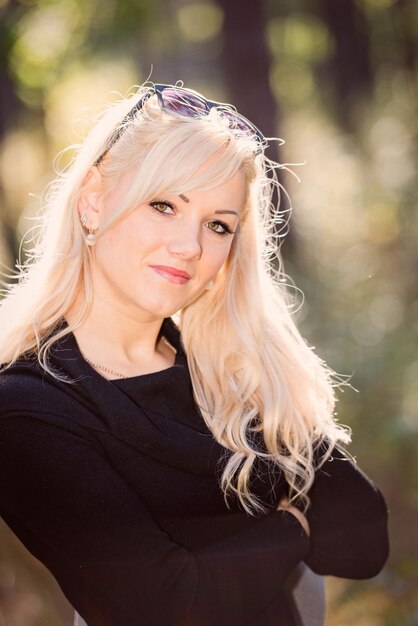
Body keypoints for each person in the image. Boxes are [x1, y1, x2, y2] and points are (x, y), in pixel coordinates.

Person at [0, 82, 389, 626]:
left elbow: (364, 542)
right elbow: (176, 605)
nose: (190, 246)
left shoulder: (225, 373)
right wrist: (293, 529)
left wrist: (248, 349)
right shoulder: (27, 408)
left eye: (218, 225)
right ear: (93, 200)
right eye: (164, 205)